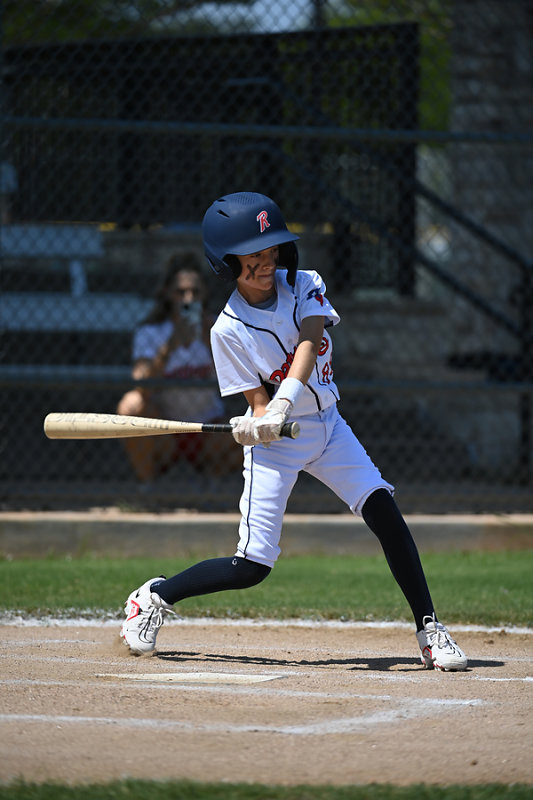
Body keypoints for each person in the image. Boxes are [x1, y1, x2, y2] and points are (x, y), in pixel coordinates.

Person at [120, 192, 468, 672]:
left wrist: (282, 401)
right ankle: (155, 596)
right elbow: (257, 404)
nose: (267, 263)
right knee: (251, 567)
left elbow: (309, 340)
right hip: (277, 448)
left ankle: (429, 628)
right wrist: (256, 426)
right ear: (226, 262)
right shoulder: (226, 330)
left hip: (329, 427)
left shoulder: (305, 284)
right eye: (254, 255)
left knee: (385, 512)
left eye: (272, 251)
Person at [116, 251, 240, 482]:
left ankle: (209, 484)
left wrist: (209, 340)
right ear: (167, 293)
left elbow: (239, 380)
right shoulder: (151, 332)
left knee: (259, 425)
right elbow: (141, 386)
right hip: (166, 430)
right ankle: (148, 488)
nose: (188, 299)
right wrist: (170, 347)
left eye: (195, 292)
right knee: (130, 405)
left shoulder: (218, 328)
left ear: (205, 294)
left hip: (209, 429)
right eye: (180, 292)